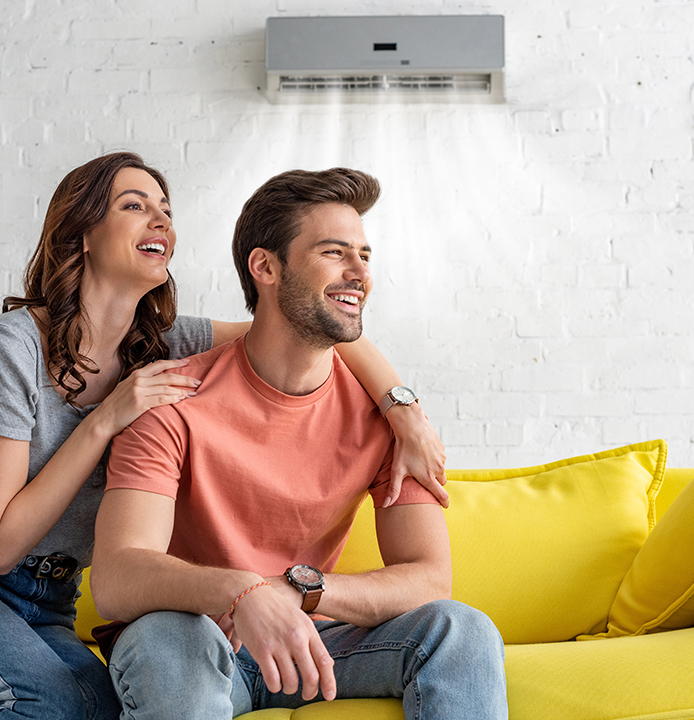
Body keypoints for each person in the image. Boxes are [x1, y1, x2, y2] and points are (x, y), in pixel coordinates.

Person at [0, 154, 448, 720]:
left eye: (166, 209)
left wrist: (404, 410)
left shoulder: (163, 342)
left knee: (103, 715)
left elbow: (311, 316)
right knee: (42, 710)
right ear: (83, 235)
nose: (161, 220)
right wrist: (105, 419)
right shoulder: (10, 347)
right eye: (134, 205)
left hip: (54, 595)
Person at [90, 167, 508, 719]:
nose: (359, 272)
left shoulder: (388, 423)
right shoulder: (173, 401)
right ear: (265, 267)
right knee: (167, 645)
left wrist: (297, 592)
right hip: (199, 639)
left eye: (364, 255)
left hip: (316, 642)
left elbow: (430, 578)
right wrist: (242, 593)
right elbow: (117, 577)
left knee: (463, 630)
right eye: (335, 252)